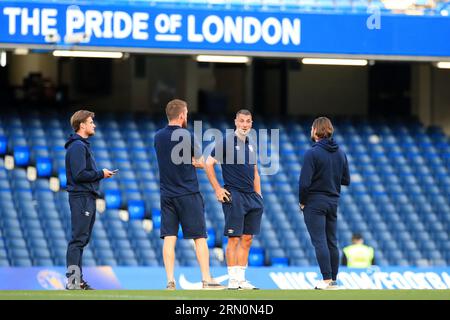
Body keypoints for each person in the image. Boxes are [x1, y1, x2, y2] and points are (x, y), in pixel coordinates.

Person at [154, 99, 225, 290]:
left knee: (169, 237)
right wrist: (201, 162)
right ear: (182, 115)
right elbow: (201, 162)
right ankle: (206, 279)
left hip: (167, 194)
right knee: (199, 238)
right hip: (188, 193)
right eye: (186, 113)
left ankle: (170, 281)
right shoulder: (187, 135)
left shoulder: (158, 136)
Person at [205, 109, 264, 290]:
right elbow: (208, 163)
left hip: (251, 197)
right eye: (242, 121)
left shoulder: (251, 144)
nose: (245, 124)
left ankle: (241, 279)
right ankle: (232, 280)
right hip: (235, 195)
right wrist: (217, 188)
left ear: (251, 123)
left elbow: (254, 171)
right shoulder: (226, 141)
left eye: (248, 121)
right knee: (234, 239)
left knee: (247, 239)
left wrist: (258, 195)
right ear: (236, 122)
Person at [65, 110, 117, 290]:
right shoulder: (78, 146)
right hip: (81, 196)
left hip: (86, 196)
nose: (93, 125)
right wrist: (100, 174)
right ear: (82, 125)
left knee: (81, 240)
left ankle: (76, 280)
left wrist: (100, 175)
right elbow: (79, 175)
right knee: (78, 240)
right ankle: (73, 280)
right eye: (91, 122)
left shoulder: (81, 146)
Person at [299, 117, 350, 290]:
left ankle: (326, 279)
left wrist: (302, 202)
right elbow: (346, 179)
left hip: (314, 201)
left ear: (315, 130)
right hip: (333, 201)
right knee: (332, 241)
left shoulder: (311, 153)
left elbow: (304, 183)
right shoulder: (340, 152)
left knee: (319, 241)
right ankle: (333, 280)